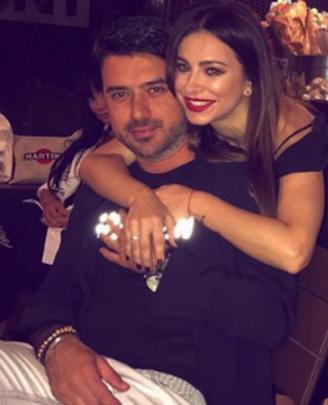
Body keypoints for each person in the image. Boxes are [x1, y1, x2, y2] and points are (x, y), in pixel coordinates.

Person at [79, 2, 328, 404]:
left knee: (320, 364)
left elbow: (292, 251)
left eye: (213, 71)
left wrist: (192, 202)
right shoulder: (194, 104)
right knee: (274, 352)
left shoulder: (287, 125)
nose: (191, 85)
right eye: (183, 67)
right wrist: (143, 199)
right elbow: (95, 163)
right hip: (284, 223)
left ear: (250, 77)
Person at [0, 15, 295, 405]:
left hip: (171, 386)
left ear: (183, 89)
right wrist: (58, 344)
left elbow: (271, 319)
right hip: (75, 364)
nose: (138, 112)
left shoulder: (236, 183)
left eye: (155, 89)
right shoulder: (107, 182)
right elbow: (56, 292)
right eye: (119, 94)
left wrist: (159, 267)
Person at [0, 69, 111, 331]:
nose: (99, 104)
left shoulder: (135, 148)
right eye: (92, 97)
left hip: (78, 235)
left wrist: (78, 216)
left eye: (108, 94)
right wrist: (49, 200)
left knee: (8, 259)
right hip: (43, 221)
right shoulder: (87, 139)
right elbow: (49, 186)